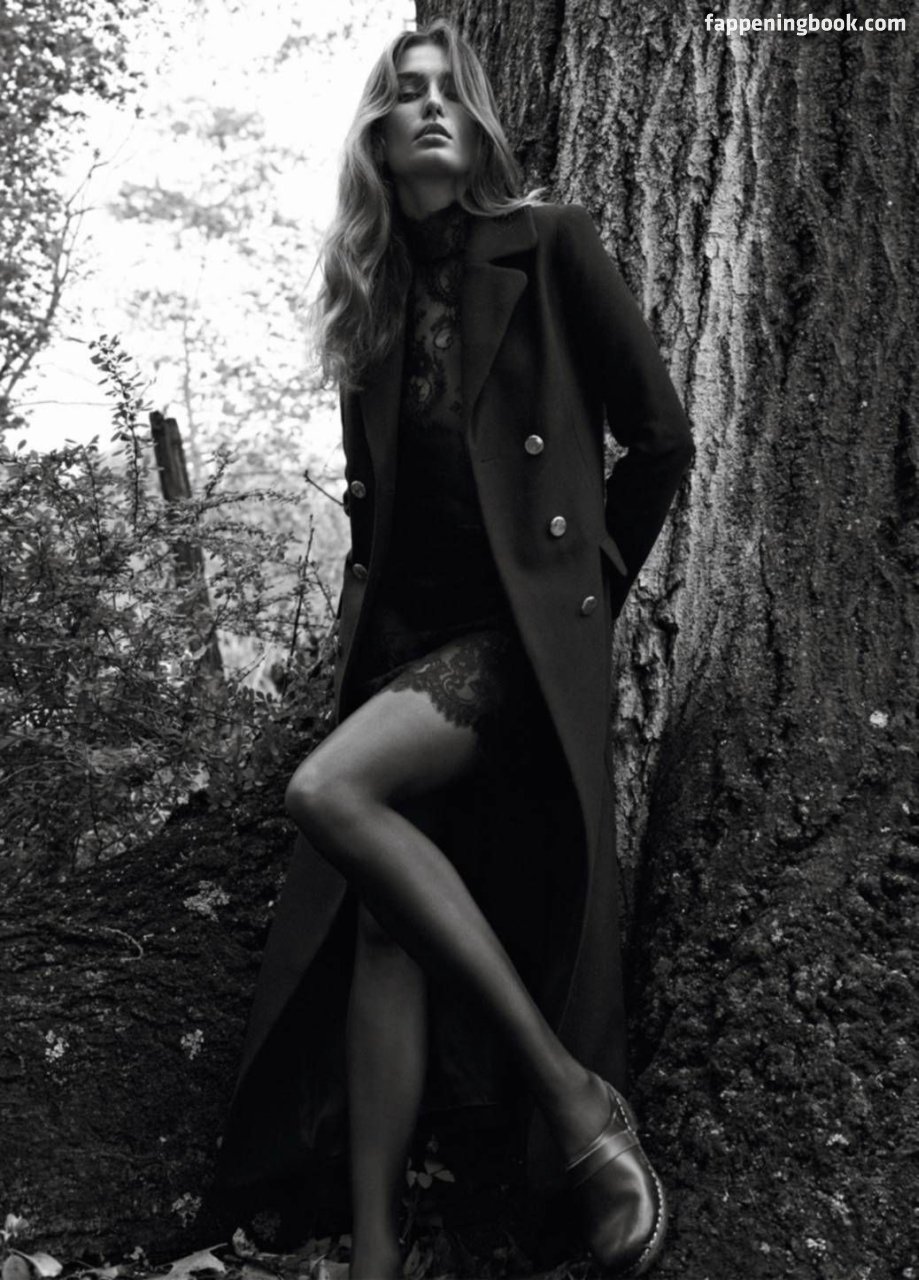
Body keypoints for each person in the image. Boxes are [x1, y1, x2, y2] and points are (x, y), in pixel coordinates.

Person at [219, 18, 693, 1280]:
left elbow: (660, 439)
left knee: (327, 788)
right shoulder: (368, 301)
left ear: (475, 125)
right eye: (404, 93)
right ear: (377, 136)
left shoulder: (551, 243)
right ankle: (376, 1257)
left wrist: (577, 602)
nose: (429, 106)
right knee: (385, 927)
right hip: (409, 647)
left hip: (512, 643)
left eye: (449, 91)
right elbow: (376, 514)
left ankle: (574, 1100)